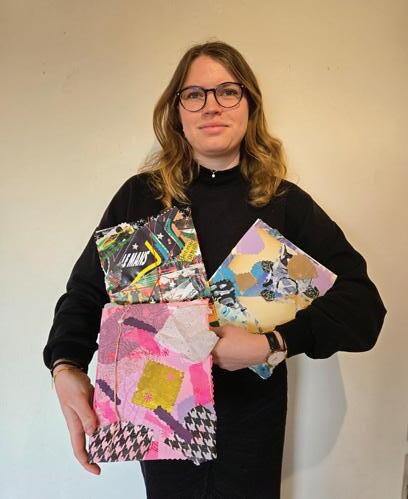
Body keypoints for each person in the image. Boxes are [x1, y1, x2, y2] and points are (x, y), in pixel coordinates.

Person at [43, 41, 386, 498]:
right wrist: (65, 365)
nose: (211, 106)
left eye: (228, 91)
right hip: (160, 422)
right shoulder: (141, 198)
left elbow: (363, 307)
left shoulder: (284, 204)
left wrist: (272, 344)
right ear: (177, 113)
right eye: (194, 94)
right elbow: (85, 295)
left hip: (251, 431)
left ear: (249, 106)